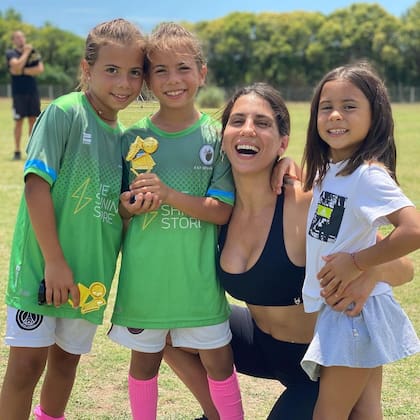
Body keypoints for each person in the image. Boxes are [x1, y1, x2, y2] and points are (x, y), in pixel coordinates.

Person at [162, 82, 415, 420]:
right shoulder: (217, 209)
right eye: (237, 121)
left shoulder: (307, 202)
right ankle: (217, 415)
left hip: (318, 361)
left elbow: (405, 268)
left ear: (283, 142)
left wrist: (367, 269)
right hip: (259, 343)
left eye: (262, 123)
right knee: (159, 328)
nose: (248, 130)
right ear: (224, 137)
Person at [0, 18, 147, 420]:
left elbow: (110, 207)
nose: (124, 83)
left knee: (66, 364)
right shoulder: (65, 112)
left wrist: (127, 208)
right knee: (27, 367)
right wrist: (54, 261)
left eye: (134, 72)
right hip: (43, 268)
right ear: (87, 70)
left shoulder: (124, 140)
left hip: (91, 274)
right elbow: (35, 186)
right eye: (112, 70)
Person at [108, 22, 244, 420]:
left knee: (219, 363)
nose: (173, 80)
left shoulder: (217, 137)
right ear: (148, 80)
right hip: (145, 282)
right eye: (160, 71)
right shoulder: (129, 138)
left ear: (201, 73)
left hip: (198, 282)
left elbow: (221, 210)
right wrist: (129, 205)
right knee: (144, 366)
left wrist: (167, 194)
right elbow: (117, 209)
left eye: (182, 67)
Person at [300, 62, 420, 419]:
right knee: (365, 411)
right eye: (326, 107)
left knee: (329, 413)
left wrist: (357, 263)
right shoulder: (330, 172)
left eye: (349, 106)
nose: (336, 115)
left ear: (375, 115)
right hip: (342, 310)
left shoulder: (367, 175)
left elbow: (413, 229)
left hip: (354, 312)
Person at [6, 30, 44, 161]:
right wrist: (26, 53)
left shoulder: (34, 53)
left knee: (33, 121)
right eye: (17, 37)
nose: (21, 39)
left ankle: (31, 150)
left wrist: (21, 70)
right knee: (19, 122)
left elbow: (39, 69)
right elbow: (14, 66)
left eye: (22, 37)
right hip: (18, 93)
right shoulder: (11, 53)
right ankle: (17, 151)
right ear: (13, 41)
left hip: (32, 92)